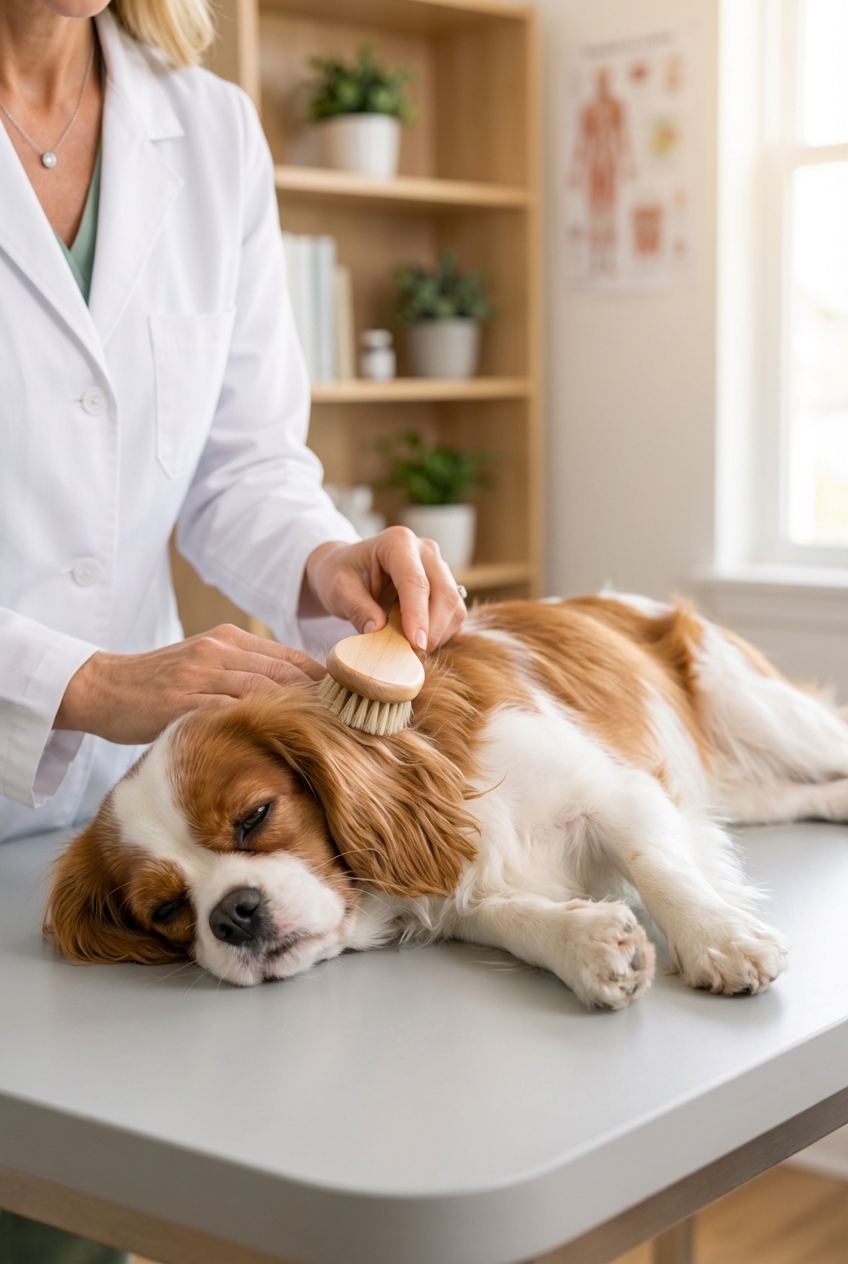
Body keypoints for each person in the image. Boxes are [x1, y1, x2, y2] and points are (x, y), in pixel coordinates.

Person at [0, 0, 465, 1257]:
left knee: (91, 1203)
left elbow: (240, 464)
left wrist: (325, 558)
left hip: (123, 834)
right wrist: (79, 681)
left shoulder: (204, 129)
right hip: (97, 739)